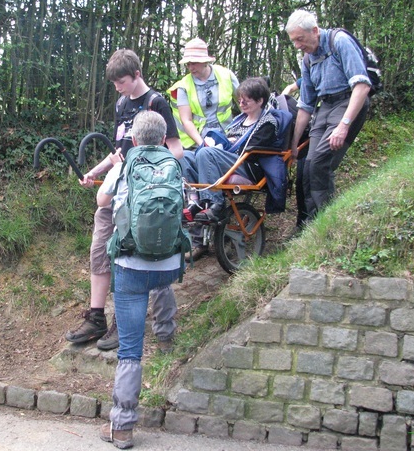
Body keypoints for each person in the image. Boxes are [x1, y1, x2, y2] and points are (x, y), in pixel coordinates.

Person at [65, 49, 183, 351]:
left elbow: (176, 151)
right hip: (115, 192)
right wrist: (94, 172)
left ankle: (124, 321)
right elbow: (117, 151)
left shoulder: (156, 103)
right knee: (99, 250)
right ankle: (96, 317)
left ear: (137, 75)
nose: (118, 88)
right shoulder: (121, 104)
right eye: (115, 83)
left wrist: (142, 170)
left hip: (142, 199)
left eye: (122, 82)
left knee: (129, 258)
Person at [97, 111, 183, 450]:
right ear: (163, 139)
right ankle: (166, 333)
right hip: (168, 263)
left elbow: (102, 201)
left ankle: (122, 427)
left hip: (131, 266)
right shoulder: (175, 165)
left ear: (133, 140)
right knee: (160, 280)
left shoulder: (124, 166)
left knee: (130, 350)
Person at [286, 10, 371, 222]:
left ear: (314, 31)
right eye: (293, 41)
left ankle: (326, 222)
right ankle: (309, 224)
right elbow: (306, 105)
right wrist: (294, 144)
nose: (297, 45)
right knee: (306, 167)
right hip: (324, 108)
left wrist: (344, 125)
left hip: (348, 103)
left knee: (320, 163)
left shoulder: (340, 42)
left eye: (300, 39)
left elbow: (361, 86)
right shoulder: (307, 59)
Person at [167, 38, 240, 261]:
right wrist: (201, 142)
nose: (190, 67)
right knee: (183, 162)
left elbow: (246, 102)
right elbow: (187, 120)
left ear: (205, 61)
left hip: (228, 140)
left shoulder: (226, 76)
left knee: (207, 156)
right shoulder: (183, 87)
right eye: (187, 63)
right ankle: (197, 238)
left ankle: (218, 217)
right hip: (197, 141)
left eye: (194, 62)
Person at [180, 77, 287, 221]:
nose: (241, 104)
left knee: (207, 153)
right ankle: (195, 200)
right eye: (240, 100)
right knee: (184, 155)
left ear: (260, 101)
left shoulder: (268, 123)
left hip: (249, 165)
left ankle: (214, 203)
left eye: (246, 101)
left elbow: (252, 151)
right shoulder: (239, 120)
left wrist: (230, 143)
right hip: (231, 159)